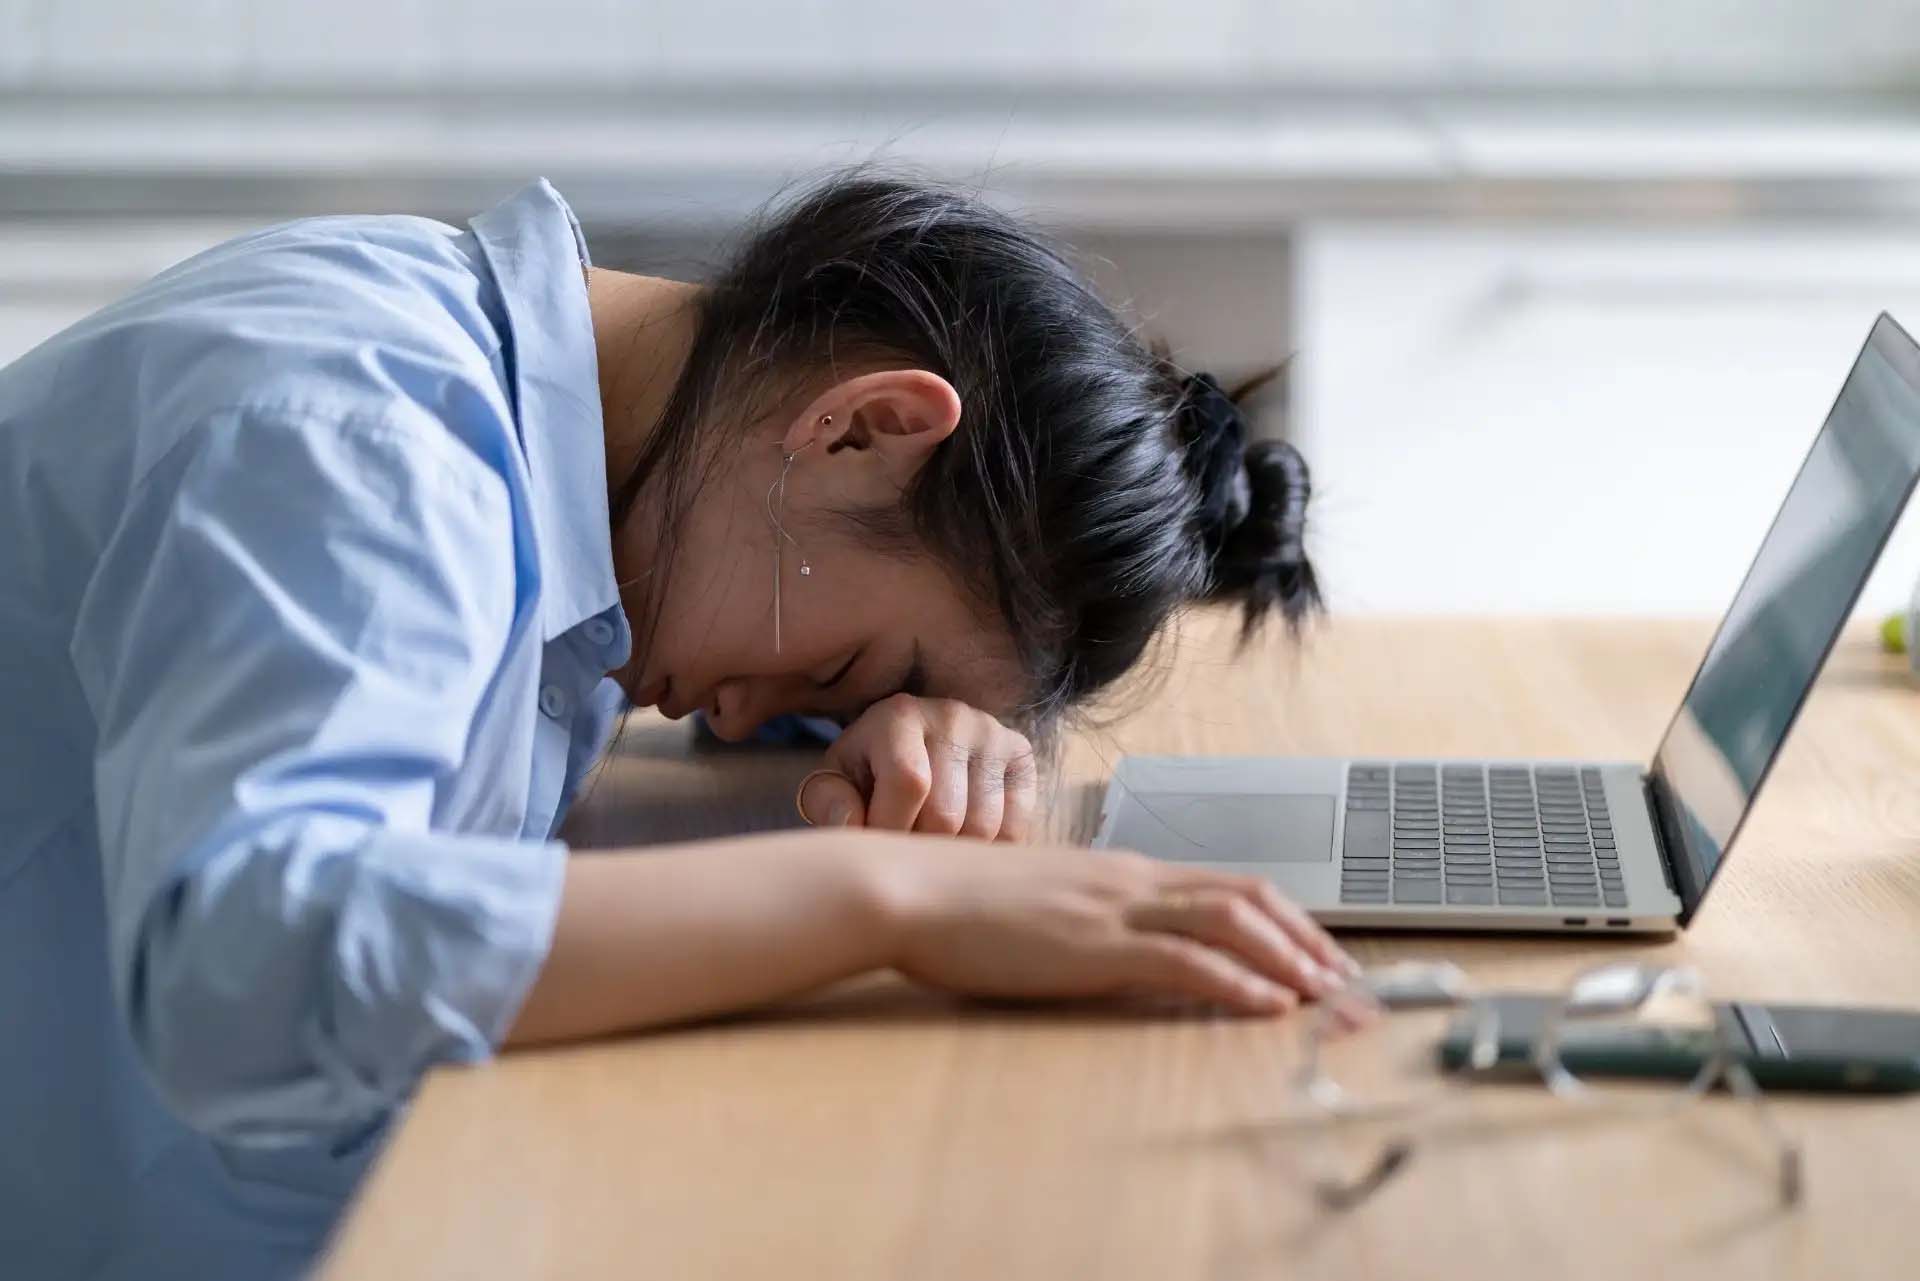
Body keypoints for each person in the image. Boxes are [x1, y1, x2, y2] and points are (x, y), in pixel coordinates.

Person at [0, 172, 1350, 1278]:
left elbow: (502, 671)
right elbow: (248, 972)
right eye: (848, 665)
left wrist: (918, 736)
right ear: (861, 428)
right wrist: (885, 890)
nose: (781, 708)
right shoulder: (364, 448)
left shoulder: (571, 439)